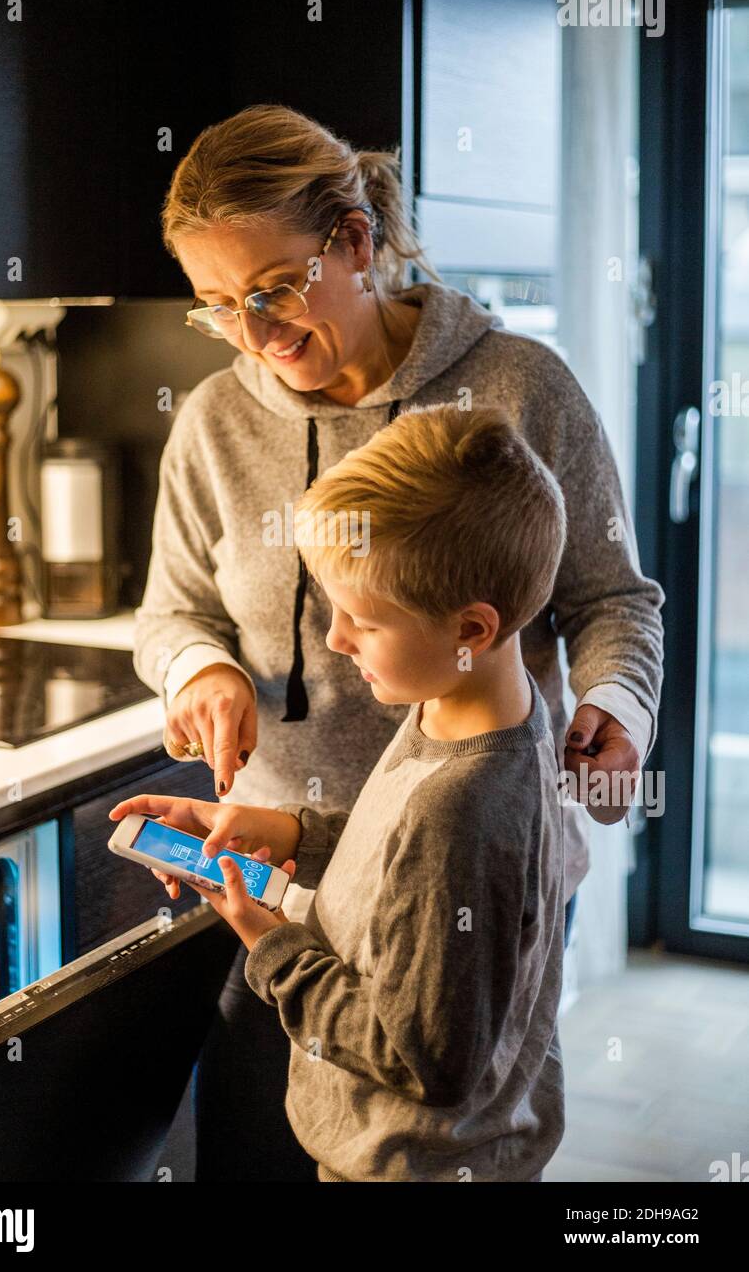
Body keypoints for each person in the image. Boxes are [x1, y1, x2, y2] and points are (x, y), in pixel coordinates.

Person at [131, 104, 665, 1181]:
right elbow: (170, 612)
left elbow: (613, 599)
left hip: (474, 850)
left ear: (356, 240)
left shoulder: (518, 389)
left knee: (435, 1132)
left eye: (275, 288)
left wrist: (618, 704)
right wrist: (205, 667)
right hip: (292, 864)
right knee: (283, 1140)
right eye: (217, 308)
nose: (256, 332)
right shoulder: (213, 423)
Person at [118, 403, 568, 1181]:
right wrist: (281, 830)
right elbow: (397, 849)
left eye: (361, 619)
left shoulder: (462, 807)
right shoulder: (472, 705)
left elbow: (423, 1058)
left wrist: (269, 944)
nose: (334, 640)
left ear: (471, 629)